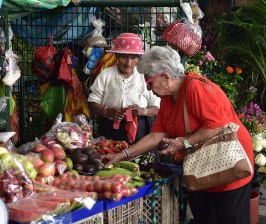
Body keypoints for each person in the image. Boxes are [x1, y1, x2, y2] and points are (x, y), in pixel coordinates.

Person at [102, 45, 254, 224]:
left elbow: (216, 126)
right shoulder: (167, 98)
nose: (148, 88)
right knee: (204, 216)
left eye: (149, 82)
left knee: (229, 217)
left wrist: (183, 143)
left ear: (166, 77)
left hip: (228, 164)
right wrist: (122, 155)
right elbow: (155, 135)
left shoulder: (195, 87)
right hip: (202, 167)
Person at [88, 33, 160, 144]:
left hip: (140, 131)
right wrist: (107, 111)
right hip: (110, 129)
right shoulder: (106, 74)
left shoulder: (143, 76)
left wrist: (143, 111)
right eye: (123, 57)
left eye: (133, 57)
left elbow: (157, 107)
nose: (128, 63)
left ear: (138, 58)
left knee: (140, 159)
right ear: (116, 55)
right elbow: (92, 103)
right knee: (110, 156)